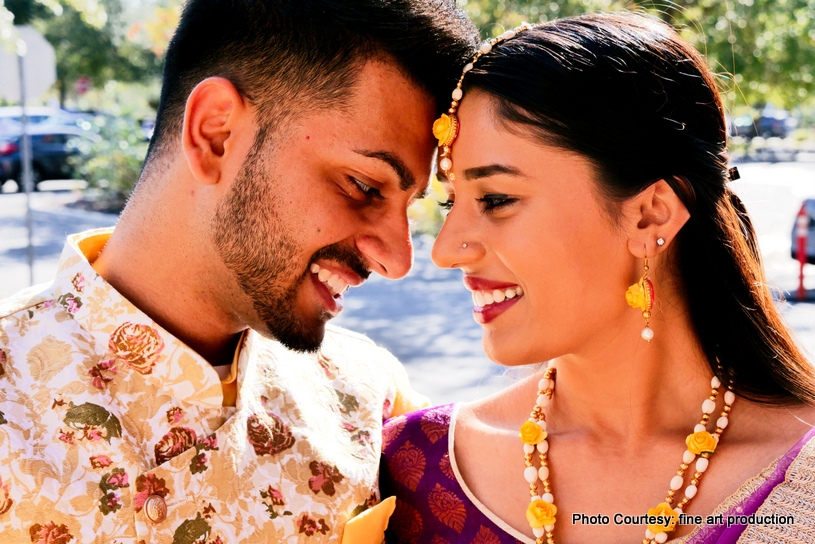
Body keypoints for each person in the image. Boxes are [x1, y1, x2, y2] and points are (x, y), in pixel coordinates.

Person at [0, 1, 479, 542]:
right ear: (215, 133)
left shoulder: (370, 399)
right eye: (364, 187)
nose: (398, 260)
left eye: (411, 204)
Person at [381, 13, 815, 544]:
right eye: (451, 202)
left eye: (496, 200)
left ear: (652, 214)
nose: (446, 251)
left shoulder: (801, 480)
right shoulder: (412, 471)